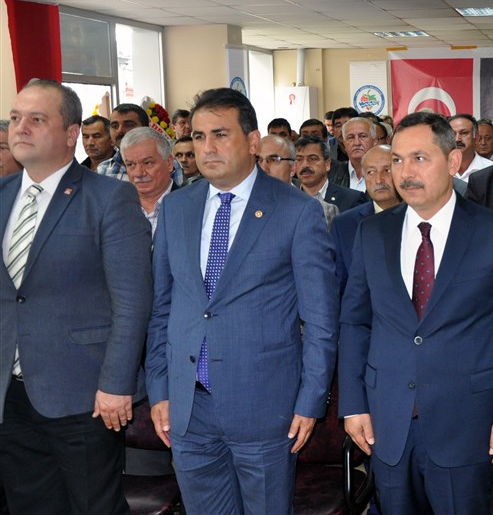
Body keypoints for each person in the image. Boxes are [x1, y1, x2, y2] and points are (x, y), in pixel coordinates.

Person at [145, 88, 339, 514]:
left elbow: (321, 321)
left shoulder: (296, 211)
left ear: (252, 141)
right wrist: (159, 389)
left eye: (220, 134)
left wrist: (310, 401)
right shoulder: (175, 208)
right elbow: (162, 308)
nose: (207, 148)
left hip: (266, 407)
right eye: (198, 137)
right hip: (188, 406)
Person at [338, 112, 493, 515]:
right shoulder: (372, 233)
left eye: (419, 158)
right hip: (388, 422)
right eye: (397, 160)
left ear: (453, 161)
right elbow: (355, 322)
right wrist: (353, 403)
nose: (405, 172)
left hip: (466, 423)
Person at [0, 79, 152, 513]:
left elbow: (132, 303)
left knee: (94, 507)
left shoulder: (109, 197)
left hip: (85, 394)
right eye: (16, 117)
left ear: (71, 134)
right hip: (11, 396)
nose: (20, 127)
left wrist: (116, 384)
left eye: (37, 119)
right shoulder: (3, 196)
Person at [330, 144, 401, 293]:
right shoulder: (344, 224)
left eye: (387, 170)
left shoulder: (419, 215)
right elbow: (339, 285)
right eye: (371, 172)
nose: (379, 180)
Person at [258, 134, 338, 229]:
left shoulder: (321, 210)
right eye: (258, 160)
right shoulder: (245, 204)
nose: (263, 168)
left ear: (293, 168)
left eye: (274, 160)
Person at [120, 127, 177, 236]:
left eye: (147, 163)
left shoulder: (190, 206)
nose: (138, 173)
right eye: (130, 165)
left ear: (169, 163)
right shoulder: (117, 208)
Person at [295, 136, 370, 212]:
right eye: (299, 159)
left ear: (327, 164)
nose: (305, 165)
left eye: (313, 159)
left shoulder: (352, 199)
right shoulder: (289, 197)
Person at [449, 114, 493, 182]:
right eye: (452, 134)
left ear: (476, 137)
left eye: (463, 133)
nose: (457, 139)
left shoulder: (492, 170)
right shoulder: (439, 168)